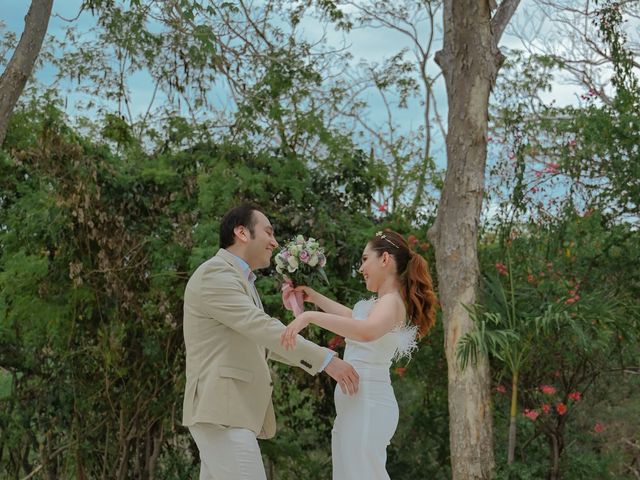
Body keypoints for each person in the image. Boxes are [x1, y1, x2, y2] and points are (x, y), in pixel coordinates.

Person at [182, 203, 360, 480]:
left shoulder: (241, 280)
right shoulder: (215, 273)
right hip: (224, 414)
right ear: (241, 232)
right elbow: (260, 327)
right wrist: (325, 361)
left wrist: (313, 345)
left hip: (227, 415)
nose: (275, 242)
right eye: (268, 232)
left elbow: (259, 342)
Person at [281, 229, 437, 480]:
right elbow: (353, 318)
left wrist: (310, 317)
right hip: (356, 405)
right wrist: (313, 297)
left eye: (365, 259)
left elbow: (365, 331)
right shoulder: (381, 302)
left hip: (368, 405)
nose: (361, 267)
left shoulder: (391, 302)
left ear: (384, 259)